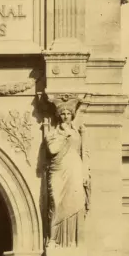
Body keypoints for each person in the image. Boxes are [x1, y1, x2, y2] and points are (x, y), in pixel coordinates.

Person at [43, 97, 90, 248]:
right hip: (58, 169)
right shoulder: (52, 133)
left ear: (72, 115)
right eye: (62, 113)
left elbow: (84, 153)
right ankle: (53, 239)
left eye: (68, 113)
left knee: (75, 201)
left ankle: (71, 241)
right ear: (58, 116)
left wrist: (85, 173)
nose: (65, 116)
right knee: (56, 203)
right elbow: (52, 150)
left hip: (74, 168)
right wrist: (64, 136)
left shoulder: (78, 132)